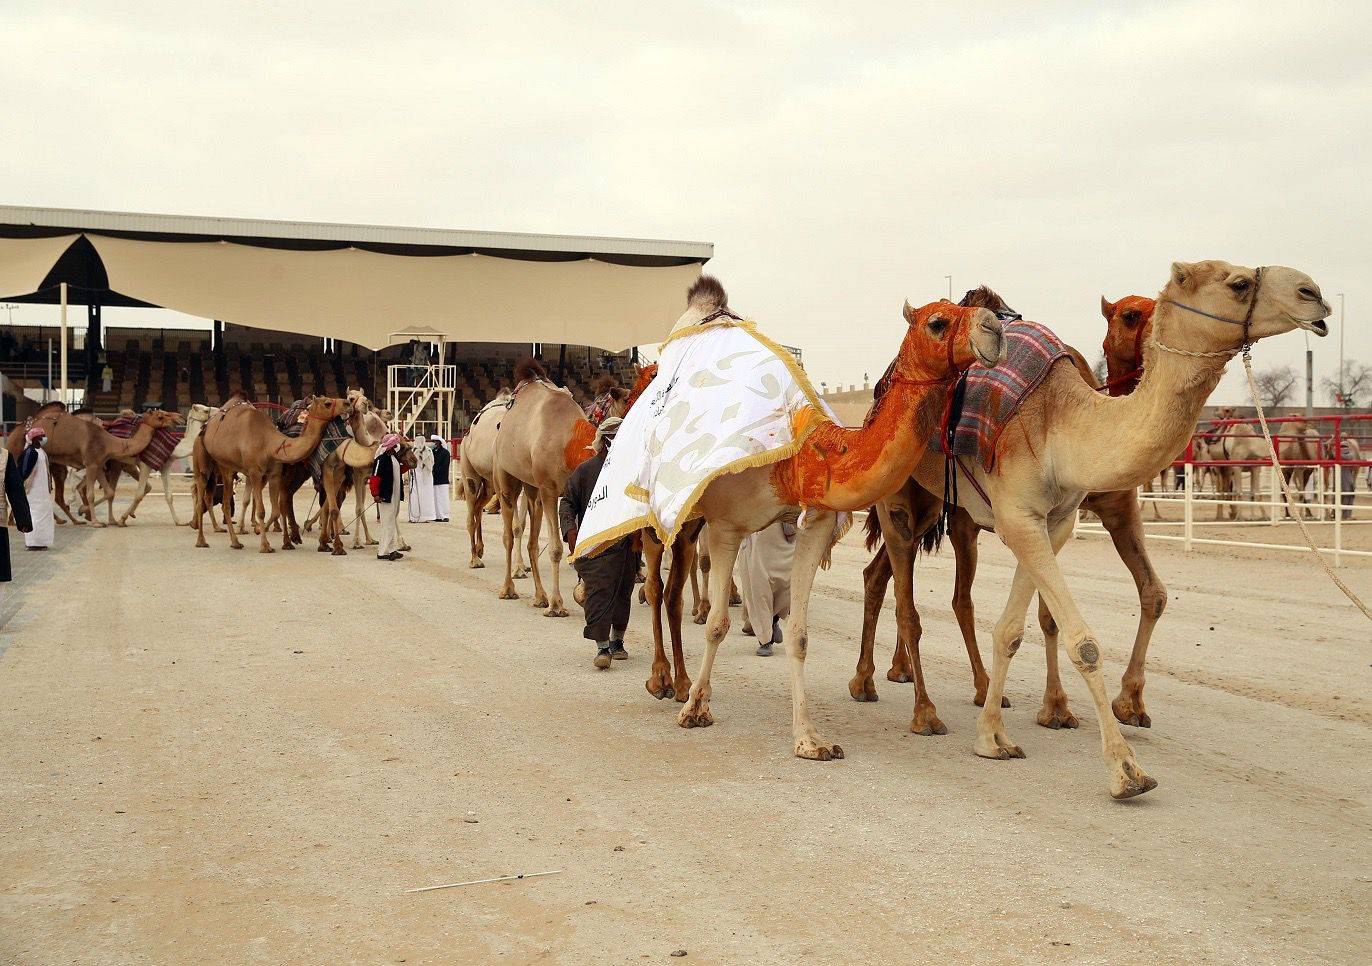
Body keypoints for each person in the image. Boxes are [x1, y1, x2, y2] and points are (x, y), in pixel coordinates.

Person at [560, 417, 638, 669]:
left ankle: (618, 641)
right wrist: (570, 531)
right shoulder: (585, 470)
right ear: (605, 441)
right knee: (599, 593)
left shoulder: (632, 471)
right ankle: (602, 647)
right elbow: (567, 502)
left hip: (626, 544)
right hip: (594, 545)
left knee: (623, 592)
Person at [735, 521, 795, 656]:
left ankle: (774, 619)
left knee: (786, 583)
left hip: (785, 531)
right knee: (758, 586)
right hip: (758, 529)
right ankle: (765, 640)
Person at [1, 437, 35, 614]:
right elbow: (15, 489)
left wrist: (23, 520)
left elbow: (15, 490)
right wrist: (23, 520)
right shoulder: (3, 456)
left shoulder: (5, 457)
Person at [18, 429, 55, 551]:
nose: (44, 439)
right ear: (35, 439)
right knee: (34, 514)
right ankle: (33, 542)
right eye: (41, 437)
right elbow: (23, 471)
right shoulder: (30, 452)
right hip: (33, 490)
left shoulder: (41, 451)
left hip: (43, 490)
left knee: (44, 514)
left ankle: (42, 541)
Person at [372, 433, 404, 561]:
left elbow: (397, 472)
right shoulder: (381, 459)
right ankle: (384, 552)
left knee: (390, 521)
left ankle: (390, 550)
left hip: (395, 495)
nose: (396, 445)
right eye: (394, 444)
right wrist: (375, 494)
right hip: (385, 496)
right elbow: (375, 476)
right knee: (388, 523)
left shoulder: (394, 458)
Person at [407, 437, 437, 523]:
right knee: (420, 495)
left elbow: (431, 463)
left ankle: (420, 516)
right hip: (421, 475)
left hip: (422, 476)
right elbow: (431, 463)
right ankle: (420, 516)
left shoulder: (424, 451)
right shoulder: (417, 451)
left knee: (421, 495)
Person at [429, 434, 451, 522]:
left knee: (443, 498)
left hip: (442, 479)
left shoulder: (445, 453)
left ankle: (445, 515)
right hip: (434, 479)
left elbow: (444, 466)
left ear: (439, 442)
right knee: (435, 499)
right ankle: (437, 516)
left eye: (436, 442)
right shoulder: (433, 452)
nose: (434, 444)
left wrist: (434, 471)